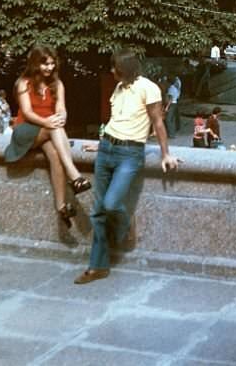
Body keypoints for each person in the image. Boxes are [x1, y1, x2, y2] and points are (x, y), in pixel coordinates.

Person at [75, 50, 178, 285]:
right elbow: (116, 120)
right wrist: (100, 144)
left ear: (128, 69)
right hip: (107, 148)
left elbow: (157, 122)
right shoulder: (119, 87)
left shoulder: (148, 88)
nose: (112, 72)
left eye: (116, 69)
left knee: (111, 204)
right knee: (98, 211)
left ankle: (125, 221)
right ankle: (98, 266)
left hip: (130, 153)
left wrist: (165, 154)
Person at [4, 46, 92, 228]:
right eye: (45, 64)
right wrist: (49, 122)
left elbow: (61, 108)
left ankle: (61, 207)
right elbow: (27, 113)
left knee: (55, 156)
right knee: (55, 128)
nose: (49, 68)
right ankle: (74, 175)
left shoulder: (57, 84)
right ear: (35, 64)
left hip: (48, 129)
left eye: (52, 64)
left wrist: (62, 117)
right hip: (27, 130)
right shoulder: (23, 83)